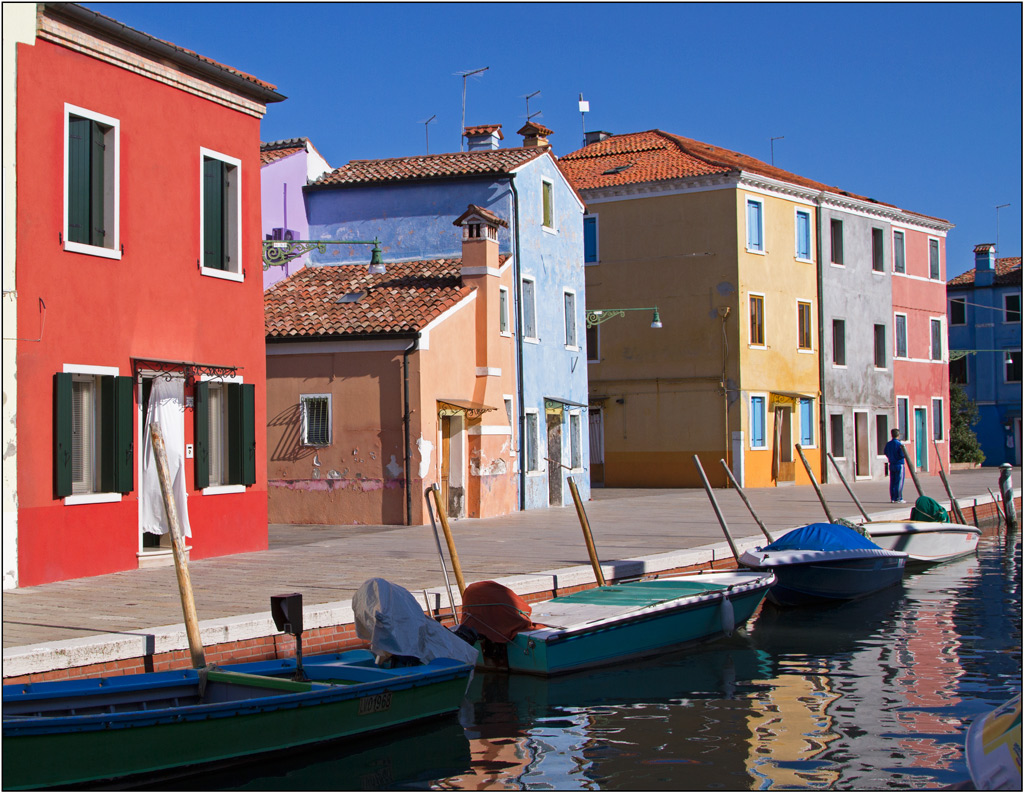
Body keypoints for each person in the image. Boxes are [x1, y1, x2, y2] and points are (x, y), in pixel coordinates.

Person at [884, 429, 906, 504]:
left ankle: (893, 497)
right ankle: (899, 498)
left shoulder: (888, 444)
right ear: (898, 435)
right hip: (899, 464)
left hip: (891, 464)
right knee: (899, 481)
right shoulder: (899, 444)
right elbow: (902, 454)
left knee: (892, 481)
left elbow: (885, 452)